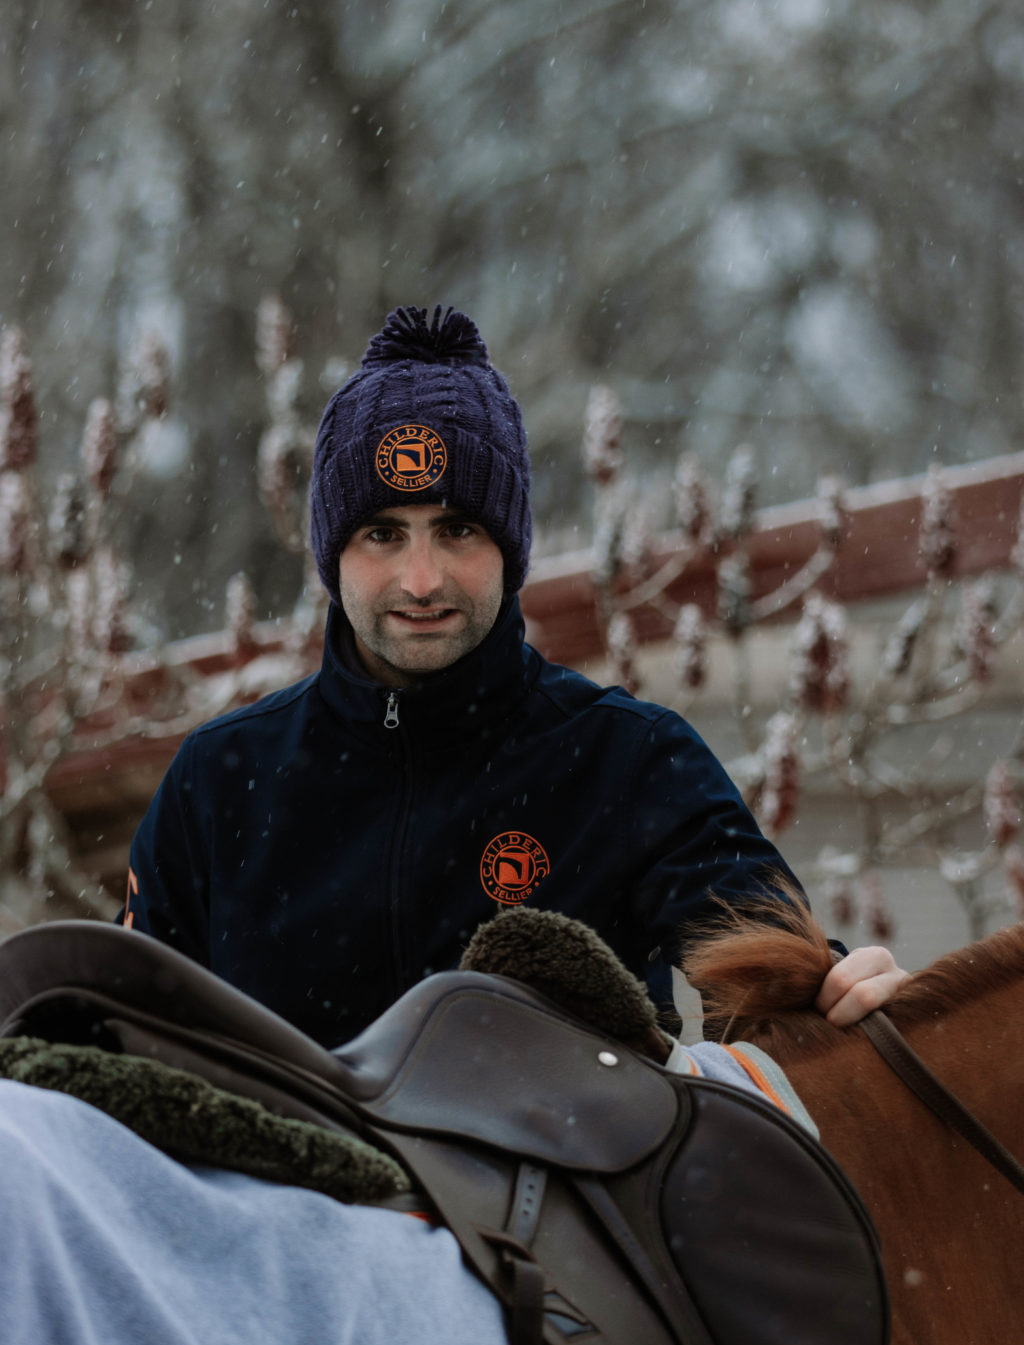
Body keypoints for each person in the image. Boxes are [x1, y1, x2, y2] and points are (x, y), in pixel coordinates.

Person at [122, 304, 906, 1046]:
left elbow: (774, 999)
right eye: (383, 533)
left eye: (457, 529)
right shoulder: (220, 781)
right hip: (283, 1190)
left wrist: (833, 990)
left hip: (572, 1187)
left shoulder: (629, 761)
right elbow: (128, 1043)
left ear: (509, 546)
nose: (422, 579)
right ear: (332, 555)